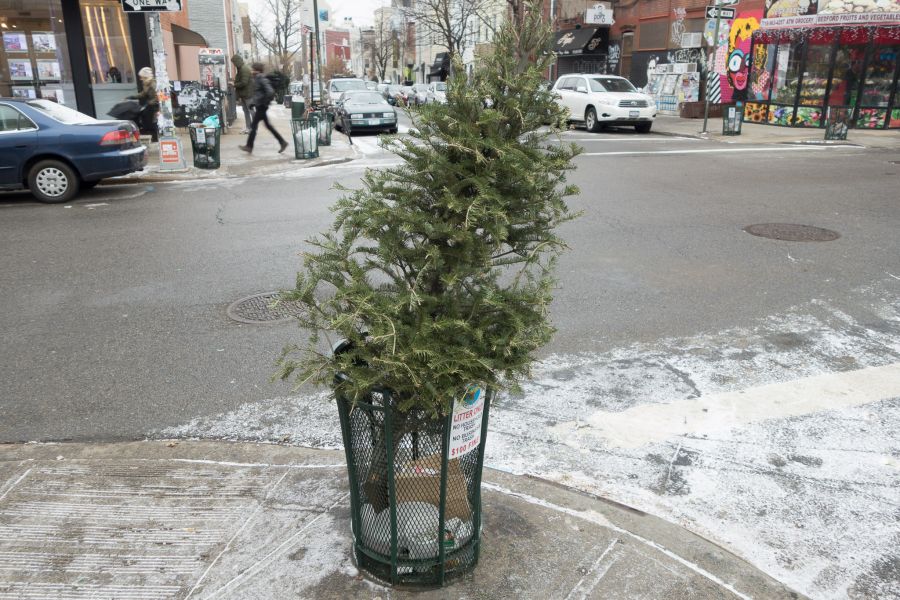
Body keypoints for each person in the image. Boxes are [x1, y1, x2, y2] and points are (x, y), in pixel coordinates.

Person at [239, 62, 288, 155]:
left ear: (257, 70)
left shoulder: (261, 78)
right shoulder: (257, 78)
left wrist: (263, 102)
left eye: (253, 69)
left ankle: (249, 146)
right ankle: (282, 142)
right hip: (260, 105)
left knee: (254, 126)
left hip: (262, 106)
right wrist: (254, 103)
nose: (251, 71)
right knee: (267, 126)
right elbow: (259, 93)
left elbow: (270, 91)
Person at [128, 67, 159, 141]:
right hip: (150, 105)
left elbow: (158, 97)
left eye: (141, 77)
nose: (140, 78)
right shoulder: (146, 83)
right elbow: (143, 94)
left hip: (155, 107)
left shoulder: (153, 84)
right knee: (146, 119)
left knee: (154, 123)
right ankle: (152, 136)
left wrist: (149, 102)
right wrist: (131, 97)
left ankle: (156, 138)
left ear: (146, 76)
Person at [231, 54, 253, 133]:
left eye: (234, 62)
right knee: (246, 111)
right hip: (244, 94)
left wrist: (234, 84)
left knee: (251, 111)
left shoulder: (244, 69)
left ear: (237, 61)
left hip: (248, 94)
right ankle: (248, 127)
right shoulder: (241, 69)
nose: (234, 64)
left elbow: (244, 82)